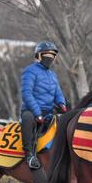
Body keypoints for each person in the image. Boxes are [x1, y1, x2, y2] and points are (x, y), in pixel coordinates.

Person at [21, 41, 67, 169]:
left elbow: (58, 92)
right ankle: (29, 156)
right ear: (39, 55)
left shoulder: (53, 75)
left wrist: (62, 104)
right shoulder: (29, 71)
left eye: (52, 55)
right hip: (31, 111)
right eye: (46, 54)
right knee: (28, 119)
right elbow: (27, 94)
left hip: (49, 111)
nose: (49, 57)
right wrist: (37, 113)